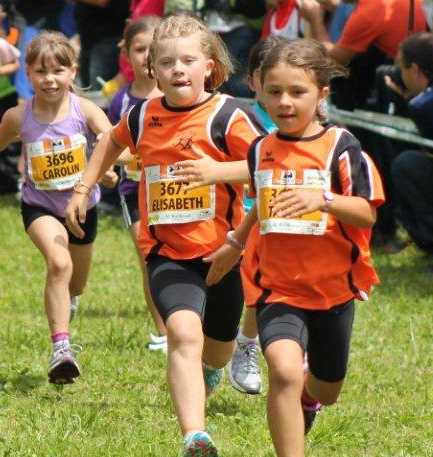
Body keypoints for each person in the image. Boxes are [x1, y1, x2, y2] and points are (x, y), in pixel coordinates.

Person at [65, 14, 264, 457]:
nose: (178, 69)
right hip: (166, 252)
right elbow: (110, 143)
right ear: (152, 68)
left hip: (223, 253)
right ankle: (196, 437)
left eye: (189, 60)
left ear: (210, 65)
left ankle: (212, 372)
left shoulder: (228, 115)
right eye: (167, 61)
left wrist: (218, 171)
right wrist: (84, 187)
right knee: (183, 334)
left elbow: (268, 163)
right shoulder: (142, 116)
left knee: (217, 349)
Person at [176, 38, 385, 456]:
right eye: (274, 92)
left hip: (332, 291)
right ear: (258, 91)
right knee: (285, 372)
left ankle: (311, 400)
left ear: (322, 94)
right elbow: (260, 204)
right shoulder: (261, 150)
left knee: (326, 387)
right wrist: (234, 242)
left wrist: (323, 199)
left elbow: (367, 213)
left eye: (297, 92)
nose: (284, 102)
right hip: (276, 289)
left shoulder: (342, 147)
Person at [0, 31, 113, 384]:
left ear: (73, 72)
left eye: (58, 71)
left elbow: (114, 142)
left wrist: (106, 172)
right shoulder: (18, 118)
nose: (50, 79)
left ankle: (67, 304)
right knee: (59, 263)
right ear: (28, 75)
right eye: (40, 72)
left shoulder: (86, 111)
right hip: (40, 208)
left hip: (83, 210)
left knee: (75, 284)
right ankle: (61, 349)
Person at [108, 16, 167, 352]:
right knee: (148, 257)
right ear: (127, 56)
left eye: (152, 48)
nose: (146, 56)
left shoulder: (180, 95)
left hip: (176, 193)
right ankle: (161, 333)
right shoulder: (121, 101)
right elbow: (111, 145)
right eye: (139, 49)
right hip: (134, 191)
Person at [229, 35, 283, 396]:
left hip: (289, 219)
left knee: (273, 289)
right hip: (244, 215)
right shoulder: (239, 116)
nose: (283, 98)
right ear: (253, 82)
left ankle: (248, 343)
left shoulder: (309, 121)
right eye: (272, 84)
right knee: (251, 292)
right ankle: (239, 346)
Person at [389, 32, 433, 257]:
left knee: (406, 165)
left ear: (415, 70)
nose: (399, 75)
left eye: (402, 69)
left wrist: (408, 101)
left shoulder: (424, 104)